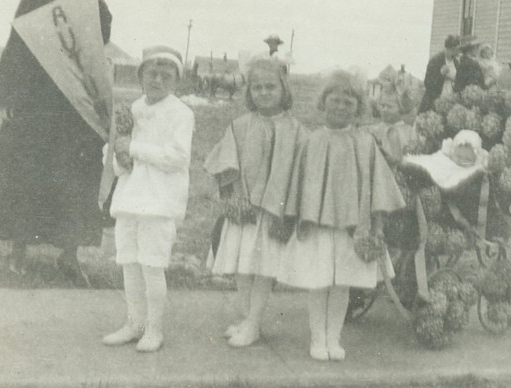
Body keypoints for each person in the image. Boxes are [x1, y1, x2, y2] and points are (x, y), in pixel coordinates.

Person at [0, 0, 112, 281]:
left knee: (75, 180)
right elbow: (15, 48)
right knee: (26, 176)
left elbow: (96, 51)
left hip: (74, 109)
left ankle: (69, 254)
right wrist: (6, 95)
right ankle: (18, 250)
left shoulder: (97, 5)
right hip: (35, 103)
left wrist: (79, 7)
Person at [278, 70, 406, 361]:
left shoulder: (365, 143)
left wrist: (377, 227)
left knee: (341, 285)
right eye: (334, 101)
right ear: (323, 103)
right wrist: (293, 217)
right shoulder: (311, 141)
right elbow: (296, 185)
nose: (340, 107)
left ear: (359, 108)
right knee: (318, 282)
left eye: (348, 103)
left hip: (352, 228)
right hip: (317, 227)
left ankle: (334, 338)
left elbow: (380, 189)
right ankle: (317, 338)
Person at [204, 56, 306, 348]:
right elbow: (224, 162)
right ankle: (248, 317)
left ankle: (254, 322)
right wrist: (234, 197)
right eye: (257, 87)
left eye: (271, 87)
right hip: (244, 209)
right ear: (249, 91)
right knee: (242, 265)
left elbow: (300, 173)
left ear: (283, 89)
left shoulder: (296, 131)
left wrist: (287, 211)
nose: (264, 92)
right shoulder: (239, 126)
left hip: (273, 212)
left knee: (263, 268)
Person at [102, 46, 194, 353]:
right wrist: (118, 156)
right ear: (140, 76)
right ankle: (134, 323)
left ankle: (154, 329)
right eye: (151, 73)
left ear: (176, 82)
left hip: (158, 201)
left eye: (166, 75)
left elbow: (176, 158)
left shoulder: (181, 113)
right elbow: (115, 153)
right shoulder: (132, 110)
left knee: (152, 266)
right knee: (129, 263)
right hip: (130, 198)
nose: (157, 80)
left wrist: (135, 149)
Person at [418, 35, 461, 113]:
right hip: (436, 99)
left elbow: (458, 79)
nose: (458, 52)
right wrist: (441, 74)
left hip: (450, 98)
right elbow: (427, 82)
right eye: (456, 49)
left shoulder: (456, 62)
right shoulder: (435, 60)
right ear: (450, 48)